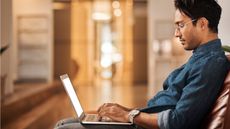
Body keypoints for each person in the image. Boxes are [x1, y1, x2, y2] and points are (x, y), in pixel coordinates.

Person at [54, 0, 229, 129]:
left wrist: (128, 115)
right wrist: (125, 111)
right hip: (141, 124)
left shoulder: (210, 63)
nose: (176, 33)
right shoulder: (201, 58)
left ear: (203, 24)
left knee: (65, 128)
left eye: (181, 25)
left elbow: (179, 121)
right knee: (66, 122)